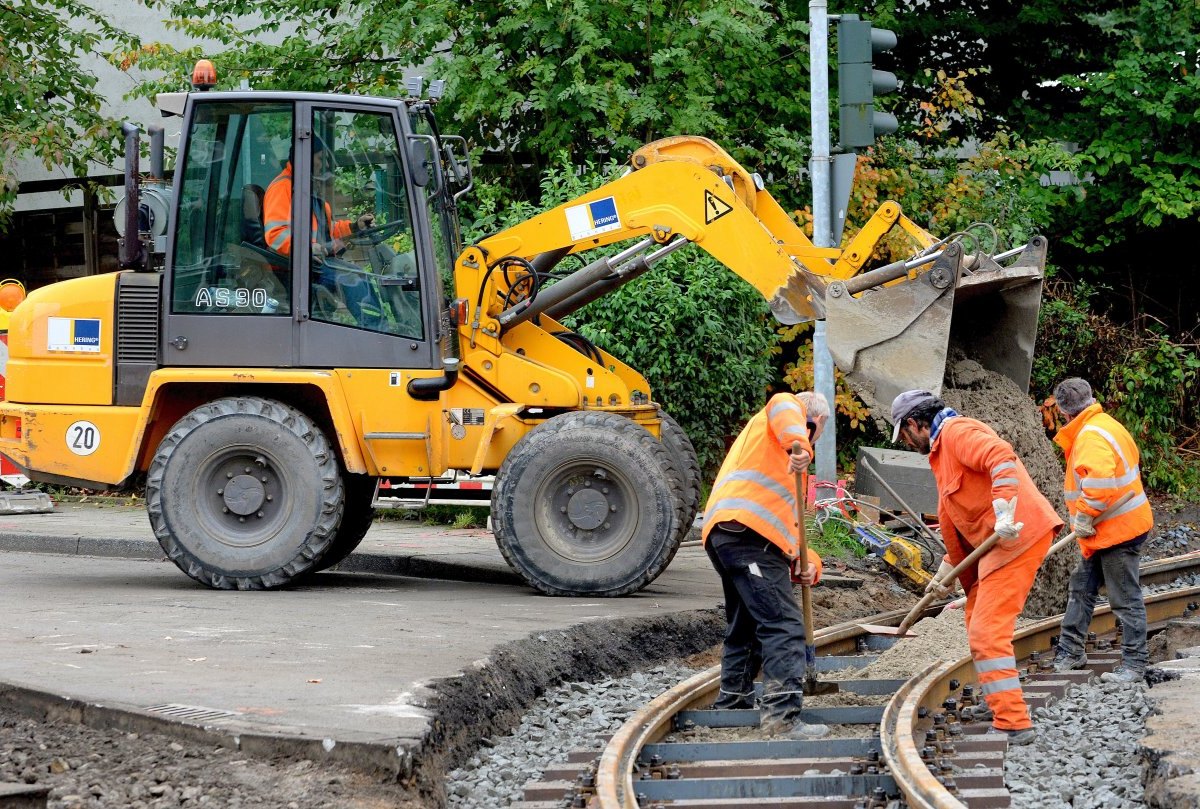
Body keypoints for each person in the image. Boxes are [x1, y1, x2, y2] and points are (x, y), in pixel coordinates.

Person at [890, 389, 1063, 746]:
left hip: (1015, 536)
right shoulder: (941, 452)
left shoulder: (957, 432)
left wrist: (1004, 510)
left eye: (904, 435)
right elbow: (962, 515)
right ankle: (994, 700)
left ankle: (1014, 722)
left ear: (913, 424)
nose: (906, 443)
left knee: (987, 631)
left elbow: (1000, 457)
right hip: (996, 542)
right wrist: (947, 571)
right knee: (974, 621)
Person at [702, 390, 831, 740]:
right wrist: (799, 443)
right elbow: (785, 404)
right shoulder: (787, 416)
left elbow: (792, 530)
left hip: (730, 535)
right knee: (784, 625)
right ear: (814, 422)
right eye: (816, 432)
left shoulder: (773, 459)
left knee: (746, 622)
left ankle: (734, 699)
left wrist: (810, 565)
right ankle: (782, 719)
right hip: (747, 535)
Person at [1049, 378, 1153, 683]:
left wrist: (1084, 514)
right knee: (1081, 586)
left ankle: (1135, 664)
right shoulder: (1105, 424)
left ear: (1064, 413)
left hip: (1117, 530)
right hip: (1105, 529)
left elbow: (1101, 482)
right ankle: (1071, 651)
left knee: (1124, 597)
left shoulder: (1090, 437)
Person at [262, 138, 379, 322]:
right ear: (306, 158)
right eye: (320, 158)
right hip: (297, 268)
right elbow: (275, 235)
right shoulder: (282, 188)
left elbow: (328, 231)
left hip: (316, 263)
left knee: (360, 275)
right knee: (352, 280)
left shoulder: (305, 189)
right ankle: (376, 331)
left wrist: (355, 226)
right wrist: (306, 248)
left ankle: (378, 328)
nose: (324, 164)